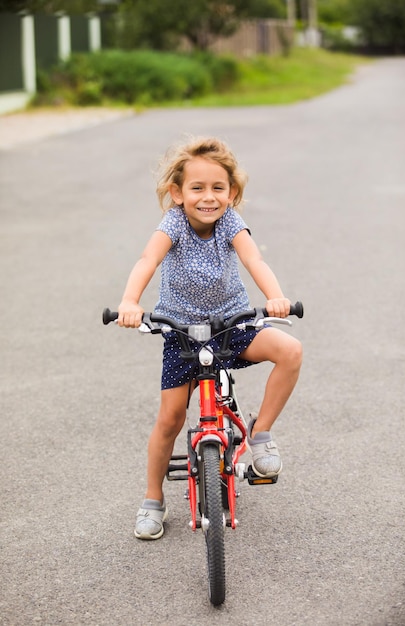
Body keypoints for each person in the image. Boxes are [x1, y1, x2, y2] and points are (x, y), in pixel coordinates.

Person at [117, 136, 302, 540]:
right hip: (181, 332)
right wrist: (130, 302)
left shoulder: (231, 223)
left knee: (290, 351)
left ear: (231, 193)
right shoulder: (174, 224)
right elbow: (148, 260)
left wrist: (274, 297)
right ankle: (152, 499)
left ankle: (260, 433)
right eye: (197, 188)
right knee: (169, 420)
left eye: (218, 188)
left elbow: (254, 259)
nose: (208, 197)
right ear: (177, 193)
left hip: (231, 325)